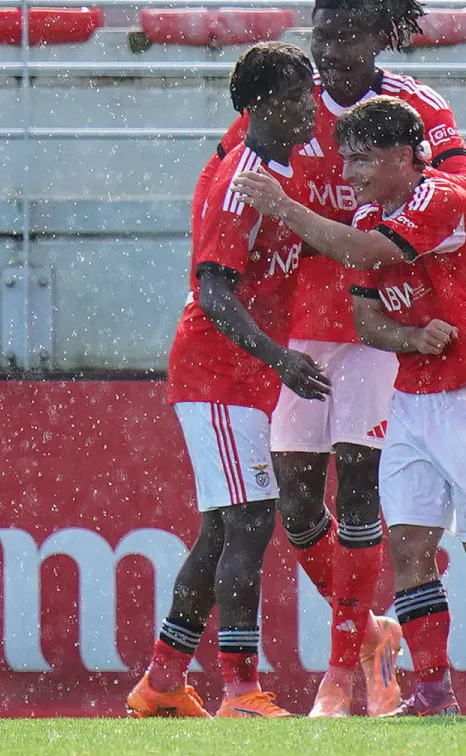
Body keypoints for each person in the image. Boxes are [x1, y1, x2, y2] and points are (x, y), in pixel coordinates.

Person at [207, 0, 466, 716]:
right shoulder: (289, 103)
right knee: (296, 505)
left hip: (375, 323)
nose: (329, 52)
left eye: (347, 37)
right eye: (321, 36)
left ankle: (341, 675)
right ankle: (368, 632)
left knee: (359, 486)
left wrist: (371, 237)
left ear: (380, 37)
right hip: (298, 327)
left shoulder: (414, 107)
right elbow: (228, 180)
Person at [234, 97, 466, 717]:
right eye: (347, 158)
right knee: (410, 548)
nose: (353, 173)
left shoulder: (440, 201)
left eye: (364, 159)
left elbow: (367, 254)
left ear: (408, 156)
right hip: (409, 403)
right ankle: (436, 694)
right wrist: (410, 338)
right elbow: (365, 318)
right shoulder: (367, 213)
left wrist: (282, 205)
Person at [128, 41, 330, 720]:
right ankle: (242, 690)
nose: (312, 103)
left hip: (239, 376)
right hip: (218, 371)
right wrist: (281, 358)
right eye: (300, 93)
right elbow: (213, 293)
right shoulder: (242, 179)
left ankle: (161, 680)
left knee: (221, 530)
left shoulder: (267, 161)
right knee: (249, 522)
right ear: (263, 105)